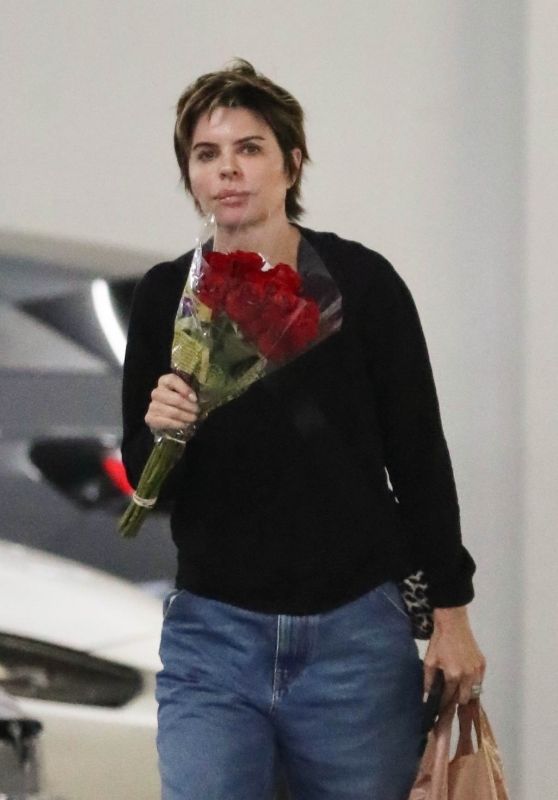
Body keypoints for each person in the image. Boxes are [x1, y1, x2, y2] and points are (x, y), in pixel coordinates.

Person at [121, 59, 486, 800]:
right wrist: (161, 433)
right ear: (190, 175)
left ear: (291, 161)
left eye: (249, 148)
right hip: (213, 634)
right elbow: (147, 483)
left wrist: (452, 614)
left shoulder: (362, 284)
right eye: (206, 154)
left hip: (352, 634)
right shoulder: (169, 294)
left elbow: (418, 455)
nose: (228, 171)